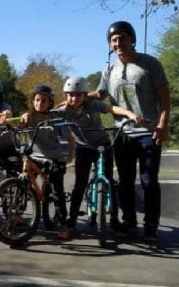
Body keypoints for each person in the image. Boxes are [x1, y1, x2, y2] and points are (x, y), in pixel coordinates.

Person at [96, 21, 171, 242]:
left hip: (148, 132)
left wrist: (162, 125)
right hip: (122, 134)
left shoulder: (149, 64)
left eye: (122, 38)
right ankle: (129, 223)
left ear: (132, 39)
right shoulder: (110, 70)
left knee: (149, 181)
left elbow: (164, 97)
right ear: (110, 43)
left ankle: (150, 226)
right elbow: (100, 94)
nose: (118, 43)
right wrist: (72, 99)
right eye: (114, 39)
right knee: (125, 182)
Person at [58, 76, 139, 236]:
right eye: (69, 94)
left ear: (85, 95)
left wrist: (129, 114)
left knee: (108, 180)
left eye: (77, 95)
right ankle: (72, 220)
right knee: (80, 184)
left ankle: (114, 219)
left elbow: (112, 109)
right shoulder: (63, 110)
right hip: (83, 148)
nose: (73, 98)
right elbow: (45, 114)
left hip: (103, 145)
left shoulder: (93, 105)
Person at [19, 84, 73, 240]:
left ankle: (64, 224)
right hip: (34, 157)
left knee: (57, 192)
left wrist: (70, 155)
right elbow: (15, 124)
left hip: (53, 158)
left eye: (43, 100)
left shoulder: (56, 119)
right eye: (36, 100)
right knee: (24, 186)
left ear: (50, 103)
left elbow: (70, 139)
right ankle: (17, 216)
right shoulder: (29, 117)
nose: (39, 103)